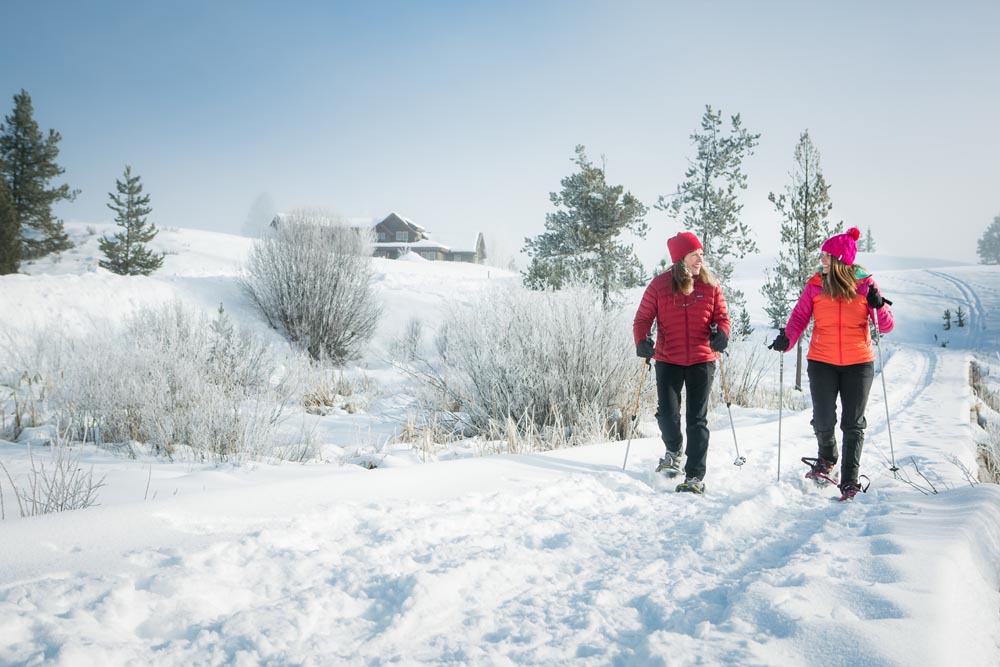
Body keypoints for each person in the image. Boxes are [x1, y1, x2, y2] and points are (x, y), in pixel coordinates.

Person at [768, 227, 894, 500]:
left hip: (858, 363)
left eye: (827, 257)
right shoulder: (815, 285)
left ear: (840, 261)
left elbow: (885, 326)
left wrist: (878, 304)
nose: (822, 260)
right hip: (822, 360)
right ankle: (826, 459)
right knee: (823, 418)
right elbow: (800, 317)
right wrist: (786, 341)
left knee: (853, 422)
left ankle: (849, 479)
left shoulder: (866, 286)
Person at [633, 231, 730, 494]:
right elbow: (642, 319)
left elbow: (722, 317)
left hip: (702, 358)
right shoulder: (660, 285)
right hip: (668, 359)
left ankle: (695, 476)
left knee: (696, 419)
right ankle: (674, 450)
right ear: (680, 258)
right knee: (667, 414)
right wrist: (642, 341)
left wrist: (722, 334)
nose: (700, 258)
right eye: (694, 254)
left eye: (701, 253)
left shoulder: (710, 284)